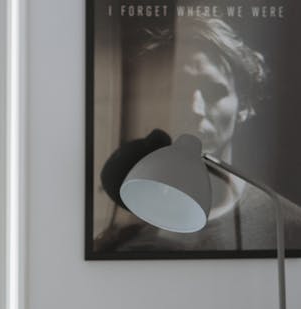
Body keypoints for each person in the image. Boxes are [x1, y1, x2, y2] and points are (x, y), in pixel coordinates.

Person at [94, 17, 301, 256]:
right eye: (182, 90)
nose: (195, 108)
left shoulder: (288, 224)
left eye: (213, 91)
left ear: (243, 105)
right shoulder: (136, 217)